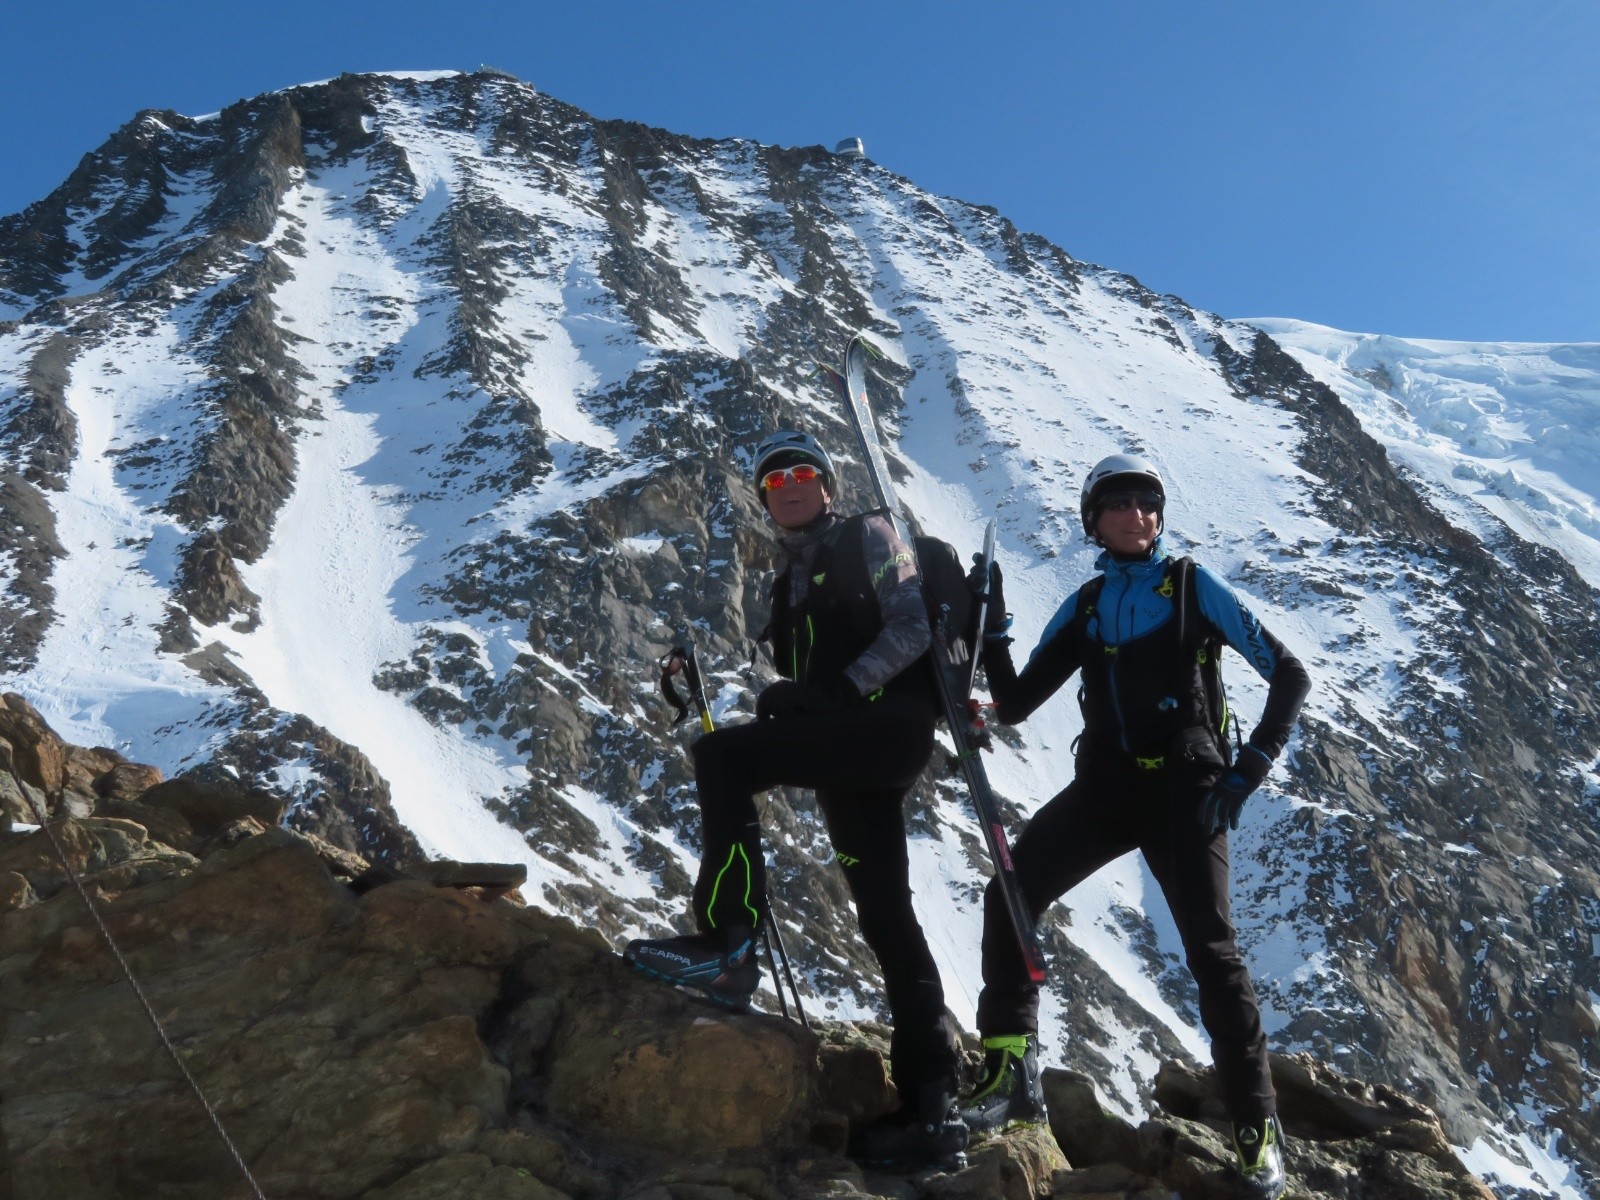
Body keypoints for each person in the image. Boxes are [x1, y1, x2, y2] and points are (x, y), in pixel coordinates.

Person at [961, 452, 1310, 1200]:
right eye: (1118, 503)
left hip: (1190, 792)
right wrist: (991, 631)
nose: (1136, 514)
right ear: (1094, 518)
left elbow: (1289, 672)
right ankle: (1008, 1067)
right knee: (1011, 896)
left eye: (1147, 502)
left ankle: (1256, 1128)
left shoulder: (1190, 587)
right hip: (1108, 788)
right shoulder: (1089, 605)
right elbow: (1017, 700)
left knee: (1212, 953)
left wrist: (1249, 768)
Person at [625, 430, 968, 1171]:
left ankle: (727, 944)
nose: (789, 487)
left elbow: (911, 623)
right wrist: (760, 687)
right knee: (884, 914)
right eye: (774, 481)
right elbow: (800, 672)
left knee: (722, 757)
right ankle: (933, 1106)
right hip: (858, 751)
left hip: (884, 727)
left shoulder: (870, 534)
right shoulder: (789, 583)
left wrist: (836, 694)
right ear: (764, 500)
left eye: (803, 474)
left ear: (828, 485)